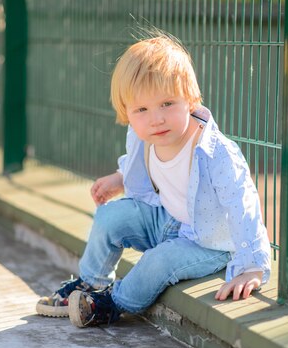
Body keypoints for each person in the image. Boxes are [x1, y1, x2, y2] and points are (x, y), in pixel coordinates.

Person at [36, 33, 272, 328]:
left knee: (159, 261)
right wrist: (120, 179)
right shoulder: (142, 134)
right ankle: (90, 283)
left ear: (190, 98)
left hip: (208, 242)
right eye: (142, 109)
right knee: (110, 216)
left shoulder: (214, 152)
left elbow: (243, 202)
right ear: (128, 112)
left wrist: (251, 267)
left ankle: (113, 303)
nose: (156, 119)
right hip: (167, 219)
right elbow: (137, 165)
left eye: (167, 103)